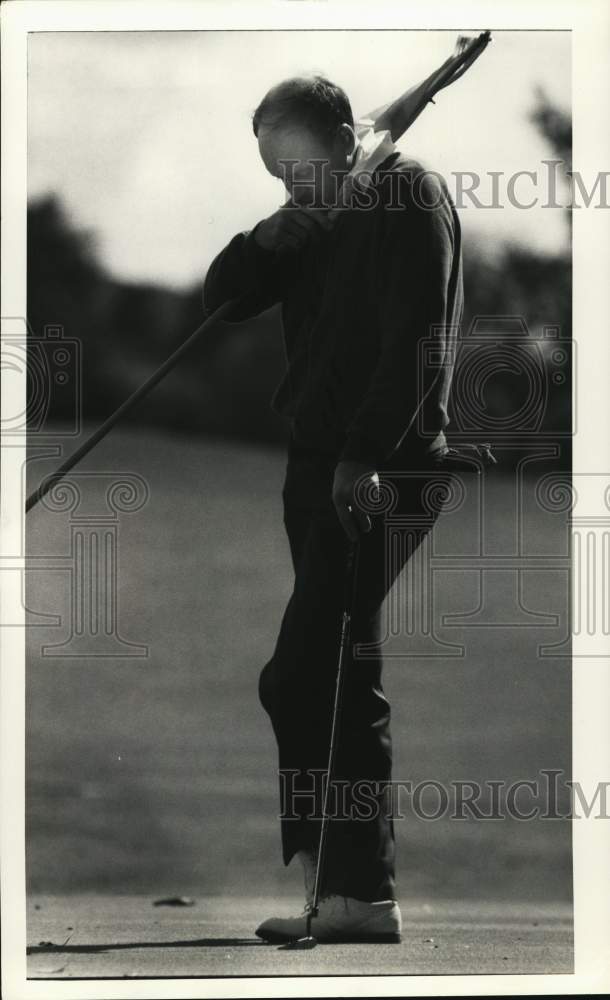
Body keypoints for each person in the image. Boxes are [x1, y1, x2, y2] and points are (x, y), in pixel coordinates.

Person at [202, 75, 463, 943]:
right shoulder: (313, 221)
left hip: (385, 472)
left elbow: (416, 345)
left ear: (347, 137)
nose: (289, 187)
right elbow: (224, 298)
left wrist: (359, 456)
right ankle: (349, 891)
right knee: (340, 675)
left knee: (303, 673)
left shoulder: (405, 195)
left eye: (298, 168)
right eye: (274, 175)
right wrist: (264, 238)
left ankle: (349, 887)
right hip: (317, 473)